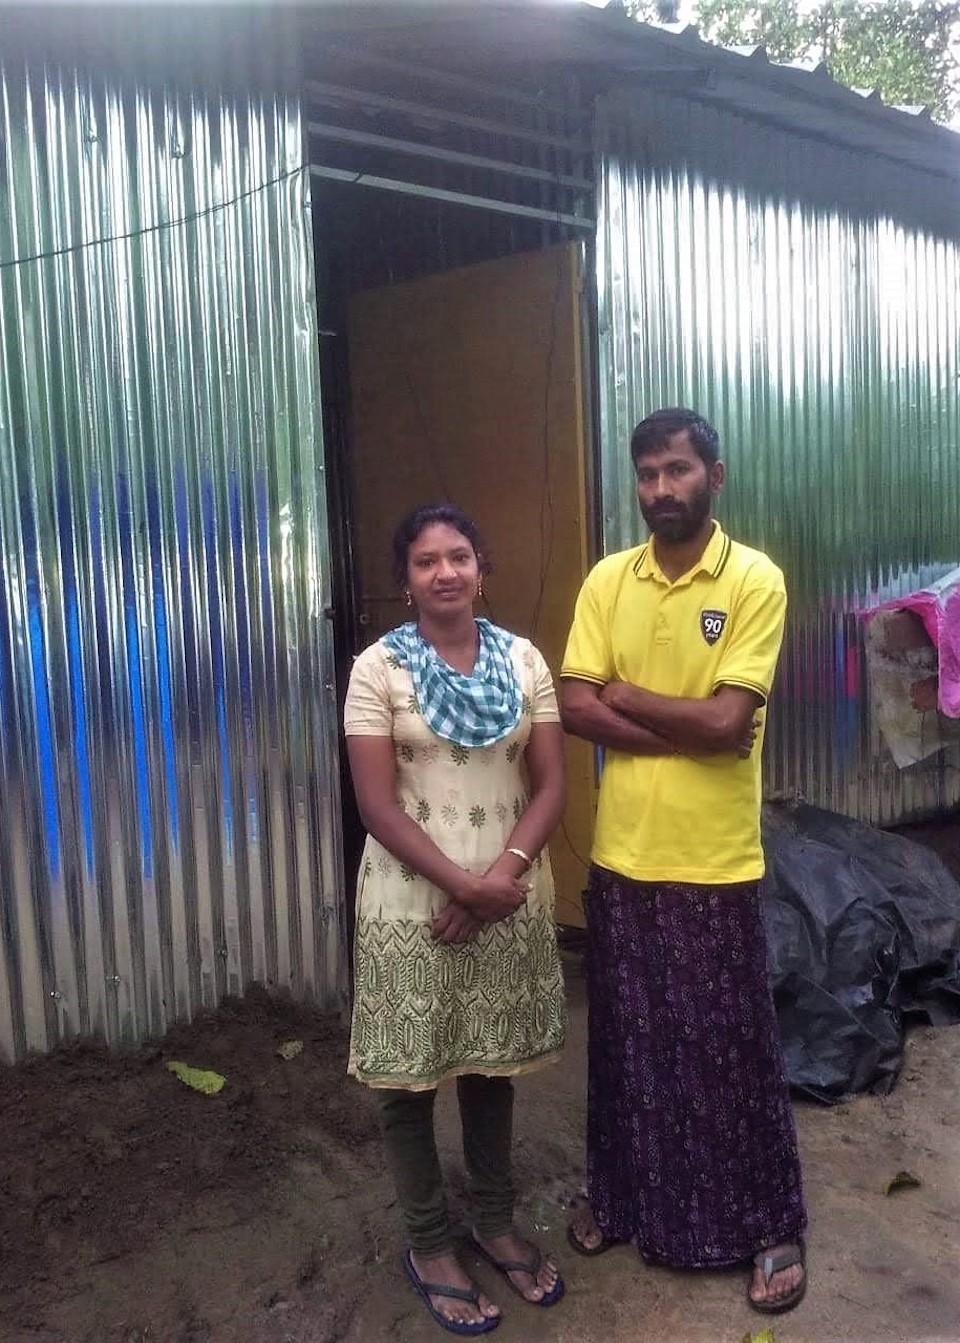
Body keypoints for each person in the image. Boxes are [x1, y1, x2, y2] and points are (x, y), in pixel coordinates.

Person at [559, 408, 807, 1316]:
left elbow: (727, 723)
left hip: (714, 860)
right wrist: (670, 721)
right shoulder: (606, 580)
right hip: (623, 855)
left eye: (678, 470)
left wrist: (626, 695)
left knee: (730, 1051)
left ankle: (769, 1222)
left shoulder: (752, 580)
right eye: (647, 474)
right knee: (628, 1043)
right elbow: (574, 704)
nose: (661, 489)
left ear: (716, 475)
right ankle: (627, 1200)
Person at [343, 503, 567, 1335]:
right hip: (413, 903)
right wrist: (461, 887)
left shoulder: (524, 659)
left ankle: (495, 1220)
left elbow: (548, 785)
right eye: (427, 560)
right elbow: (375, 802)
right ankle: (430, 1242)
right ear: (405, 579)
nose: (445, 571)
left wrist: (498, 877)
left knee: (490, 1067)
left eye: (460, 556)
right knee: (407, 1081)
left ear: (482, 566)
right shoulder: (378, 670)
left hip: (506, 895)